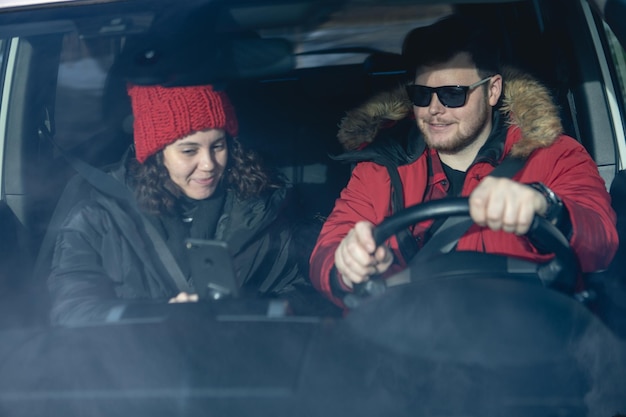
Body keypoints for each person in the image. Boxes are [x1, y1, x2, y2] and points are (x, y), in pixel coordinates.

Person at [309, 14, 619, 307]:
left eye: (453, 94)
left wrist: (548, 209)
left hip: (526, 338)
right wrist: (345, 266)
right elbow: (328, 248)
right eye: (421, 94)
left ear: (492, 90)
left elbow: (602, 241)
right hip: (409, 344)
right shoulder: (380, 167)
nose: (434, 109)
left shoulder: (554, 155)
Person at [42, 83, 309, 325]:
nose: (209, 164)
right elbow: (72, 311)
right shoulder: (98, 218)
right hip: (138, 371)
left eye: (218, 145)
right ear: (156, 154)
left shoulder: (259, 205)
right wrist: (160, 316)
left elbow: (300, 292)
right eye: (189, 151)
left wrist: (251, 309)